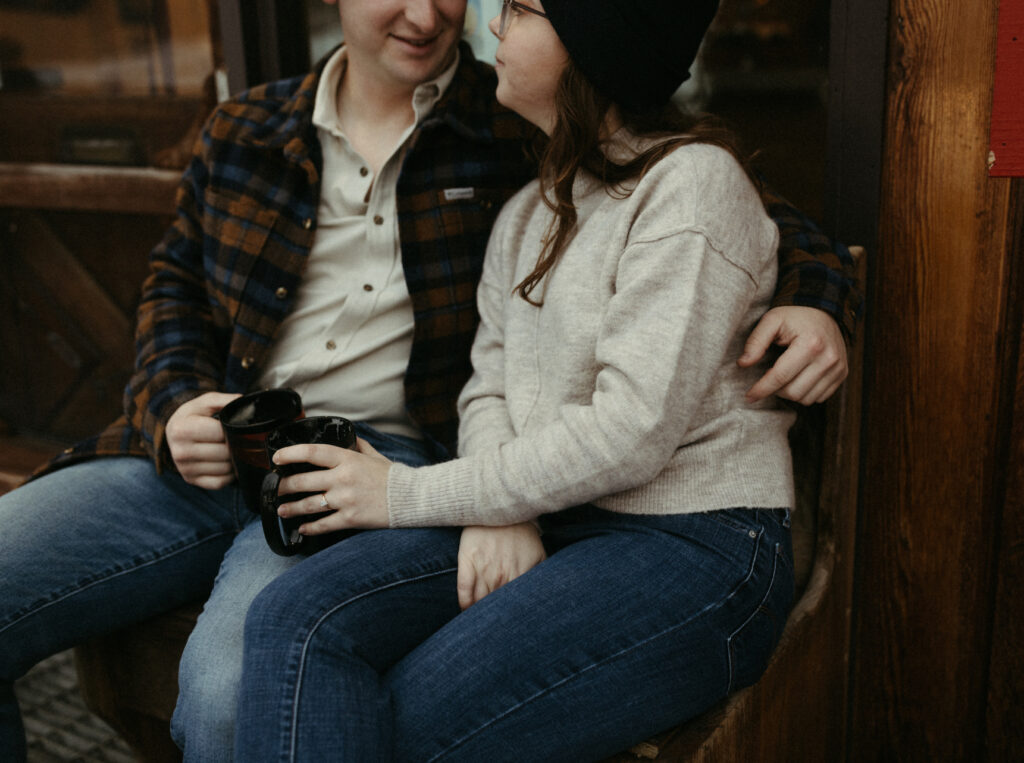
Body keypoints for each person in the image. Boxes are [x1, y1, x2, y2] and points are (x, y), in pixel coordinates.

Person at [0, 0, 857, 761]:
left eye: (508, 6)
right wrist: (173, 403)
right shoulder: (510, 191)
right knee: (288, 639)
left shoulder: (516, 135)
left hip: (457, 475)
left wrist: (820, 298)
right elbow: (179, 290)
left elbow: (731, 212)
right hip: (249, 448)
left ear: (591, 42)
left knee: (294, 702)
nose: (453, 17)